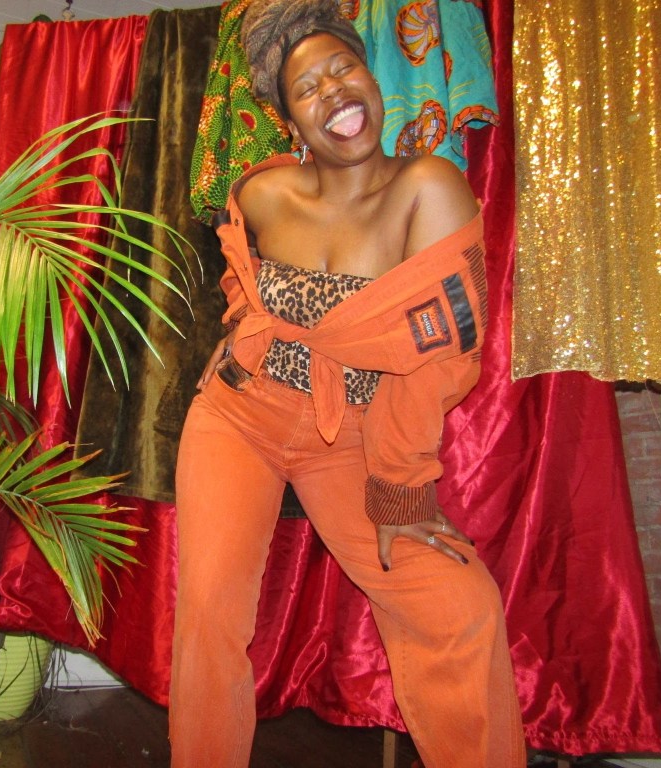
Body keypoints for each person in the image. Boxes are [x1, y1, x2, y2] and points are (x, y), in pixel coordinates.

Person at [169, 1, 526, 766]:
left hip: (352, 439)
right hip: (237, 416)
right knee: (208, 615)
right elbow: (239, 287)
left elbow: (439, 359)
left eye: (343, 69)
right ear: (292, 119)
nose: (331, 91)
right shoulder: (261, 194)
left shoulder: (428, 187)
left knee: (460, 605)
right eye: (307, 88)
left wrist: (399, 489)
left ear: (371, 77)